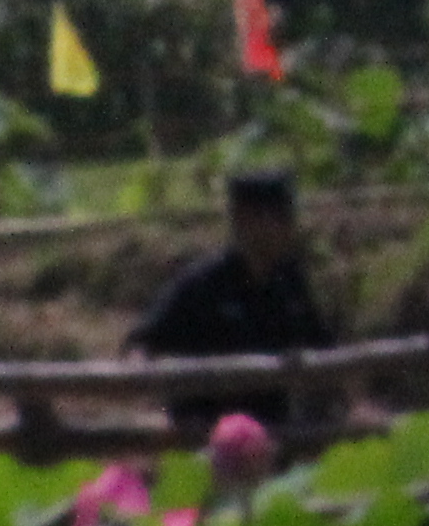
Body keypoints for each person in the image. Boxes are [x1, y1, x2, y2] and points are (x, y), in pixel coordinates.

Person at [133, 171, 335, 430]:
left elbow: (322, 344)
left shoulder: (289, 282)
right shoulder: (202, 283)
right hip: (204, 433)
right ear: (245, 222)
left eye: (287, 219)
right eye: (278, 219)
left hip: (272, 431)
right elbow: (143, 341)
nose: (287, 230)